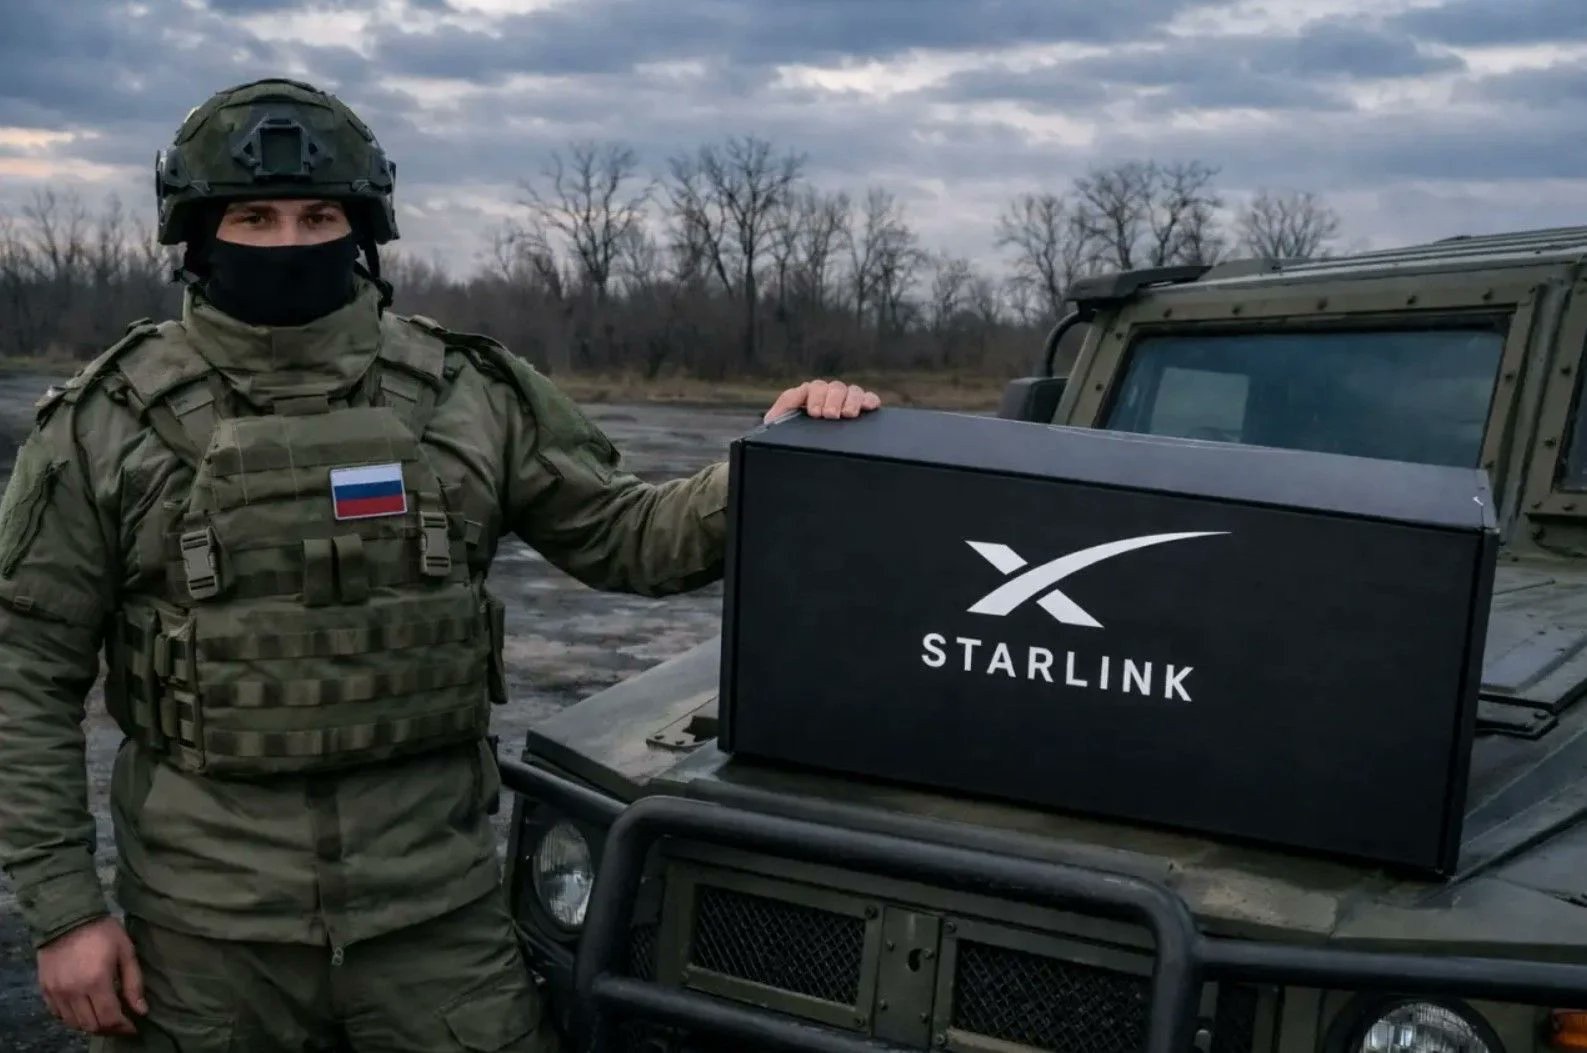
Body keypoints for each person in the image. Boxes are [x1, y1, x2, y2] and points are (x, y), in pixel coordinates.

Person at [0, 77, 880, 1052]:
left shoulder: (468, 392)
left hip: (436, 926)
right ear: (200, 235)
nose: (289, 241)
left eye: (318, 215)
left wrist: (774, 463)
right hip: (203, 937)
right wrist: (66, 913)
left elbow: (629, 535)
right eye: (254, 216)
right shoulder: (105, 422)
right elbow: (24, 672)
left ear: (362, 226)